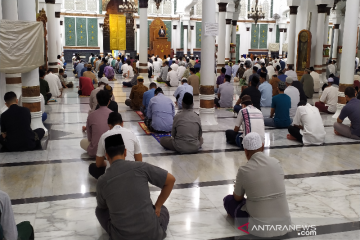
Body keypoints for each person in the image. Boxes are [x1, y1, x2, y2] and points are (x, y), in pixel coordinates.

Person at [94, 133, 175, 240]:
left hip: (121, 237)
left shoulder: (102, 181)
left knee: (99, 210)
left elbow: (103, 207)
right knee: (162, 209)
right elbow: (171, 180)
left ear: (107, 156)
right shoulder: (141, 167)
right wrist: (158, 206)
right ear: (125, 152)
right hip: (152, 236)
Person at [223, 132, 291, 238]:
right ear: (262, 146)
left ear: (245, 151)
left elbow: (237, 198)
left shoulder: (244, 170)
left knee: (228, 200)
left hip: (261, 231)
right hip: (285, 225)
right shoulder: (276, 162)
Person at [89, 112, 143, 179]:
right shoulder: (131, 133)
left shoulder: (104, 136)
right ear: (122, 123)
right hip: (131, 175)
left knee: (93, 167)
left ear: (109, 125)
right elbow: (139, 161)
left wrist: (106, 163)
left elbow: (98, 164)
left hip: (112, 178)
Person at [80, 90, 113, 157]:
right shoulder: (113, 114)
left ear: (97, 101)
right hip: (111, 152)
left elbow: (89, 138)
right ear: (109, 102)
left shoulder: (91, 115)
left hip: (95, 151)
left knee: (82, 142)